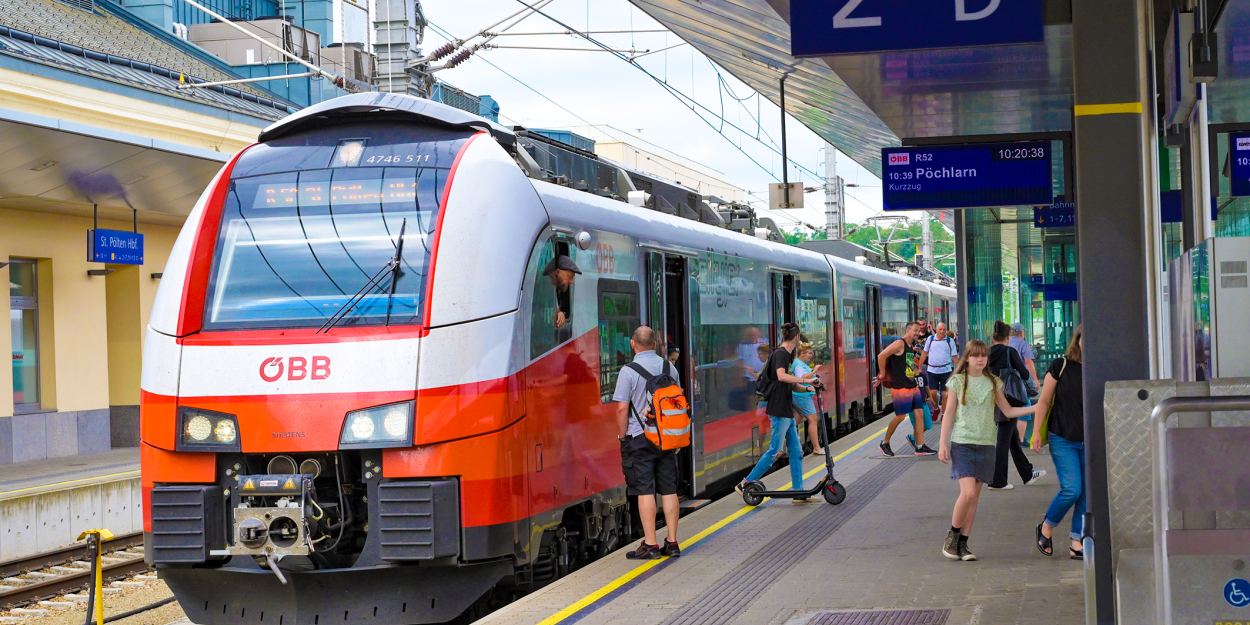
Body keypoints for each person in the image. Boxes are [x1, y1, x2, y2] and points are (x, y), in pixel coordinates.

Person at [938, 340, 1037, 561]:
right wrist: (943, 443)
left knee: (974, 499)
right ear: (967, 358)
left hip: (986, 443)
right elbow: (949, 415)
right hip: (962, 442)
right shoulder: (957, 381)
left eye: (983, 356)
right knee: (968, 493)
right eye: (975, 356)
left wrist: (1036, 407)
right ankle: (952, 536)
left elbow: (1008, 410)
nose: (980, 359)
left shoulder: (994, 383)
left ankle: (964, 545)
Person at [613, 326, 681, 559]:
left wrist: (622, 436)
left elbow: (622, 407)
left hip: (639, 438)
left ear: (633, 344)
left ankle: (650, 544)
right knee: (669, 489)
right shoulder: (669, 367)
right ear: (655, 343)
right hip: (667, 438)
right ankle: (672, 542)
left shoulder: (628, 371)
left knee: (645, 490)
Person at [738, 322, 815, 500]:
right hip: (779, 410)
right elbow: (781, 376)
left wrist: (806, 388)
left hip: (786, 409)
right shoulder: (780, 354)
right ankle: (746, 482)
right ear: (796, 337)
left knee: (796, 452)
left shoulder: (787, 355)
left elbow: (789, 383)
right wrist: (806, 381)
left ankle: (798, 491)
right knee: (774, 450)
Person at [1032, 326, 1085, 560]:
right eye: (1086, 338)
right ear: (1078, 340)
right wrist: (1035, 433)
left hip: (1091, 439)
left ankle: (1077, 541)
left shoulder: (1100, 368)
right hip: (1062, 437)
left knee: (1086, 493)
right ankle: (1047, 525)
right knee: (1072, 489)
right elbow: (1043, 402)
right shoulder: (1060, 365)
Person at [987, 321, 1046, 490]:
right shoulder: (1009, 352)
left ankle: (1027, 473)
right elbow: (1024, 372)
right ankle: (998, 480)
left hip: (992, 396)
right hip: (1009, 398)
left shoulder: (988, 352)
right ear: (1007, 337)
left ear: (993, 337)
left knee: (1012, 438)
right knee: (1004, 439)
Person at [877, 322, 936, 456]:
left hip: (912, 385)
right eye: (915, 330)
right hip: (900, 387)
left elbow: (909, 367)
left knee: (919, 413)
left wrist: (917, 372)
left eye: (919, 331)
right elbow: (881, 356)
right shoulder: (900, 343)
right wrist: (882, 373)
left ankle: (920, 446)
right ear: (908, 330)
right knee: (900, 416)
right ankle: (885, 442)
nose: (917, 333)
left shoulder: (910, 346)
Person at [1009, 322, 1040, 442]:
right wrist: (1035, 379)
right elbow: (1028, 362)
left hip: (1006, 380)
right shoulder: (1023, 344)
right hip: (1020, 380)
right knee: (1025, 405)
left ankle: (1012, 437)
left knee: (1010, 406)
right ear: (1021, 332)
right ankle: (1020, 439)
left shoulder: (1007, 342)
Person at [919, 322, 959, 414]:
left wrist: (960, 370)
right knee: (933, 393)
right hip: (932, 371)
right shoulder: (930, 339)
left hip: (946, 371)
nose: (942, 331)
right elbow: (924, 353)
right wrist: (920, 366)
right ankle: (936, 408)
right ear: (936, 330)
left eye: (944, 329)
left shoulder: (950, 341)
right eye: (940, 329)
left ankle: (944, 414)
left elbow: (954, 357)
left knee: (945, 395)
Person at [791, 342, 823, 456]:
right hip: (802, 396)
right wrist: (814, 371)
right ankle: (816, 448)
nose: (810, 355)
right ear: (801, 353)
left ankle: (787, 441)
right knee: (813, 419)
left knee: (796, 420)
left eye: (811, 353)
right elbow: (801, 378)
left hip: (801, 395)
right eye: (808, 353)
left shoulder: (800, 363)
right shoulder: (798, 364)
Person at [543, 255, 580, 329]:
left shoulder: (557, 289)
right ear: (557, 272)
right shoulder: (543, 288)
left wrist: (561, 313)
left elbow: (557, 306)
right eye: (569, 277)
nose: (571, 282)